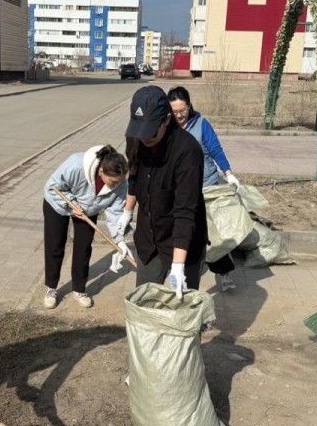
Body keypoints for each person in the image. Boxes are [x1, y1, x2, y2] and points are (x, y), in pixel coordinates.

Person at [120, 86, 208, 299]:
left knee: (181, 310)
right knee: (146, 300)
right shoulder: (137, 136)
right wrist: (127, 212)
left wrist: (178, 265)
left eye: (151, 131)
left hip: (182, 240)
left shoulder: (188, 151)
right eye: (140, 132)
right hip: (149, 239)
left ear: (167, 120)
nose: (144, 139)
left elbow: (185, 212)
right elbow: (134, 176)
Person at [167, 85, 241, 292]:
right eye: (175, 112)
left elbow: (215, 149)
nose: (179, 115)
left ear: (190, 106)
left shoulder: (201, 124)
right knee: (182, 232)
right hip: (179, 191)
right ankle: (186, 268)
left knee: (212, 235)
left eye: (183, 110)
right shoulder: (167, 126)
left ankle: (224, 273)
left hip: (205, 187)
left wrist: (228, 173)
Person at [43, 145, 131, 309]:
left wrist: (119, 241)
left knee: (83, 248)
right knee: (55, 245)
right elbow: (52, 186)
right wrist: (70, 204)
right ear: (101, 171)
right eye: (113, 181)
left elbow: (116, 213)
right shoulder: (76, 165)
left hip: (88, 208)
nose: (117, 184)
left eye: (120, 181)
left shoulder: (121, 183)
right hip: (58, 203)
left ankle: (79, 289)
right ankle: (51, 288)